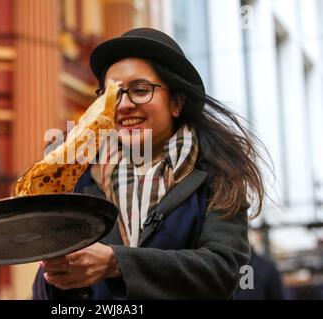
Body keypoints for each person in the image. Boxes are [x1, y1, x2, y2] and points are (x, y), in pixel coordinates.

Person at [33, 27, 267, 299]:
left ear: (176, 103)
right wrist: (56, 277)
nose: (124, 105)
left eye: (140, 90)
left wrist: (116, 263)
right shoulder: (77, 178)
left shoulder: (218, 176)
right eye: (112, 94)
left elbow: (226, 270)